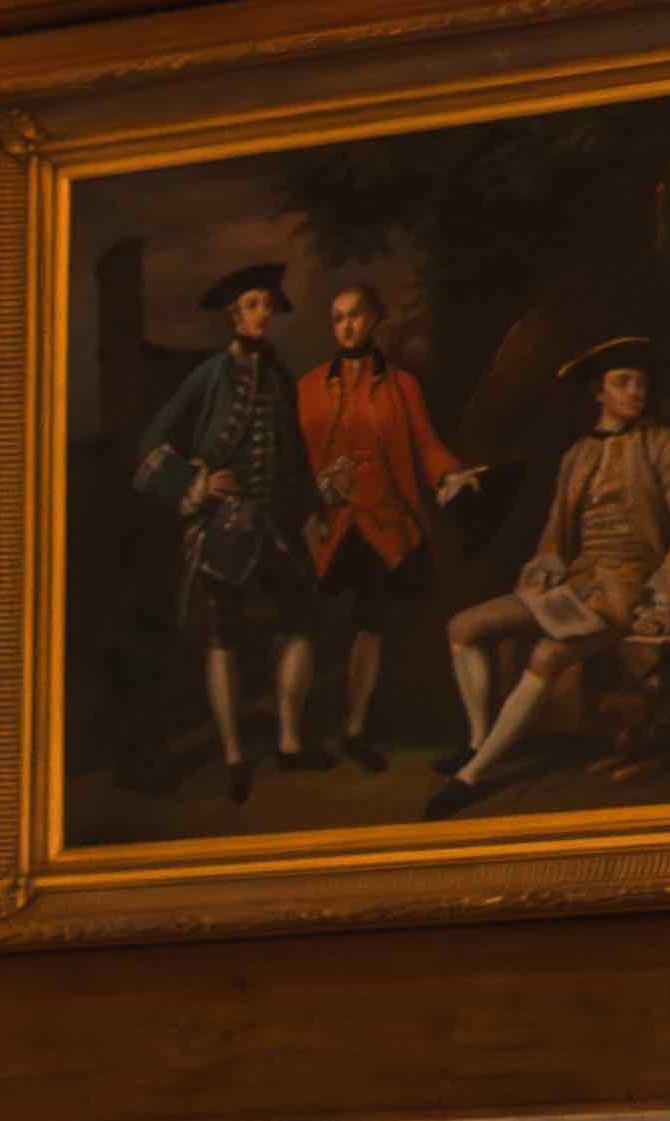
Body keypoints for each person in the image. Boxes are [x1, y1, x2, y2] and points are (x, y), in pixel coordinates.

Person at [423, 339, 670, 820]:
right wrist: (546, 569)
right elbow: (554, 540)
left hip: (629, 588)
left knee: (547, 654)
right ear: (599, 394)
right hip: (577, 584)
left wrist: (662, 595)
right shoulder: (577, 455)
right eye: (623, 382)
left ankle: (471, 777)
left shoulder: (662, 443)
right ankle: (478, 740)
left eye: (641, 383)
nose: (636, 391)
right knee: (461, 628)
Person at [123, 259, 318, 797]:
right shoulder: (209, 375)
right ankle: (234, 755)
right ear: (234, 316)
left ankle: (289, 742)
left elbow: (295, 454)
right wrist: (196, 481)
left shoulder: (280, 377)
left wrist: (313, 507)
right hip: (224, 529)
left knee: (300, 624)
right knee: (223, 636)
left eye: (267, 305)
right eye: (253, 305)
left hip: (276, 526)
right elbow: (151, 443)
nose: (263, 314)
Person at [293, 281, 476, 768]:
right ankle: (294, 736)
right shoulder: (309, 387)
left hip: (384, 525)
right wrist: (312, 498)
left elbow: (426, 446)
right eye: (337, 318)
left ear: (374, 318)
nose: (346, 325)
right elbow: (293, 461)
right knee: (309, 628)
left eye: (355, 315)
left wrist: (451, 473)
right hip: (326, 527)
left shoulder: (402, 386)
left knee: (371, 626)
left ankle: (355, 731)